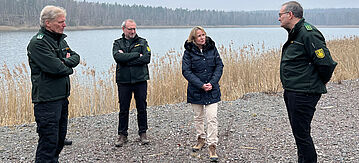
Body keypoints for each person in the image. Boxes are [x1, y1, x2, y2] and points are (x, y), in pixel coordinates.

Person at [278, 1, 337, 162]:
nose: (278, 19)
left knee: (302, 134)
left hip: (304, 93)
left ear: (290, 15)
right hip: (293, 91)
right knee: (299, 133)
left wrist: (320, 82)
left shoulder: (308, 33)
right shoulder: (296, 33)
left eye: (280, 15)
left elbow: (326, 63)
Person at [27, 5, 80, 162]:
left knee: (59, 140)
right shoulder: (38, 43)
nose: (64, 25)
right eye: (60, 22)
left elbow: (76, 57)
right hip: (47, 100)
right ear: (47, 23)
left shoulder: (60, 40)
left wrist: (64, 62)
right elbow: (56, 68)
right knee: (48, 143)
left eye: (64, 21)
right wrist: (67, 66)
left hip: (61, 97)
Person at [182, 26, 224, 162]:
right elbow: (186, 71)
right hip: (196, 90)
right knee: (198, 117)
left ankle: (212, 145)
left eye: (203, 35)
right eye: (199, 36)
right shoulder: (188, 52)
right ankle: (201, 138)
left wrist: (212, 82)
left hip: (212, 89)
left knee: (212, 118)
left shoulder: (212, 48)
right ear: (193, 38)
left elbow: (219, 66)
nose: (202, 37)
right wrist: (200, 84)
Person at [112, 19, 151, 147]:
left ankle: (143, 133)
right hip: (124, 81)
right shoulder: (117, 43)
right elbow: (118, 57)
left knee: (142, 107)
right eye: (130, 29)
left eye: (134, 28)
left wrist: (127, 59)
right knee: (123, 108)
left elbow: (147, 58)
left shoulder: (142, 42)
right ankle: (122, 135)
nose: (133, 31)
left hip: (140, 80)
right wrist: (136, 55)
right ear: (123, 29)